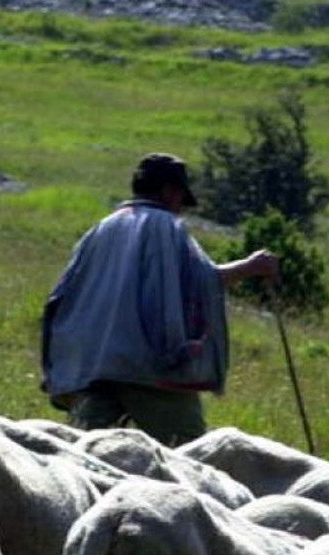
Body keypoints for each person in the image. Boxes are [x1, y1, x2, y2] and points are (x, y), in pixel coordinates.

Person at [40, 152, 279, 447]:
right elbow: (200, 281)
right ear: (168, 191)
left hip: (92, 370)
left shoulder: (101, 228)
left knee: (88, 461)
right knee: (189, 457)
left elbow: (60, 296)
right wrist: (251, 267)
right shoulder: (167, 227)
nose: (180, 207)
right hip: (148, 369)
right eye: (180, 196)